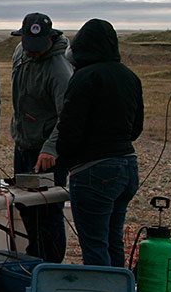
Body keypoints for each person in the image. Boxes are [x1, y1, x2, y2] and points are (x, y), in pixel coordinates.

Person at [56, 18, 144, 268]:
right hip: (127, 165)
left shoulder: (85, 77)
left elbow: (70, 128)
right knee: (112, 239)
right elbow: (136, 127)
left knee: (94, 244)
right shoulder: (130, 76)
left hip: (94, 171)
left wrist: (67, 158)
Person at [9, 13, 73, 263]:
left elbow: (67, 115)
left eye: (39, 48)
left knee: (48, 210)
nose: (34, 52)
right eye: (29, 46)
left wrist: (51, 148)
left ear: (51, 37)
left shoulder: (59, 68)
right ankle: (35, 257)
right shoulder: (20, 52)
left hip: (47, 152)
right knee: (26, 205)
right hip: (24, 143)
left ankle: (51, 264)